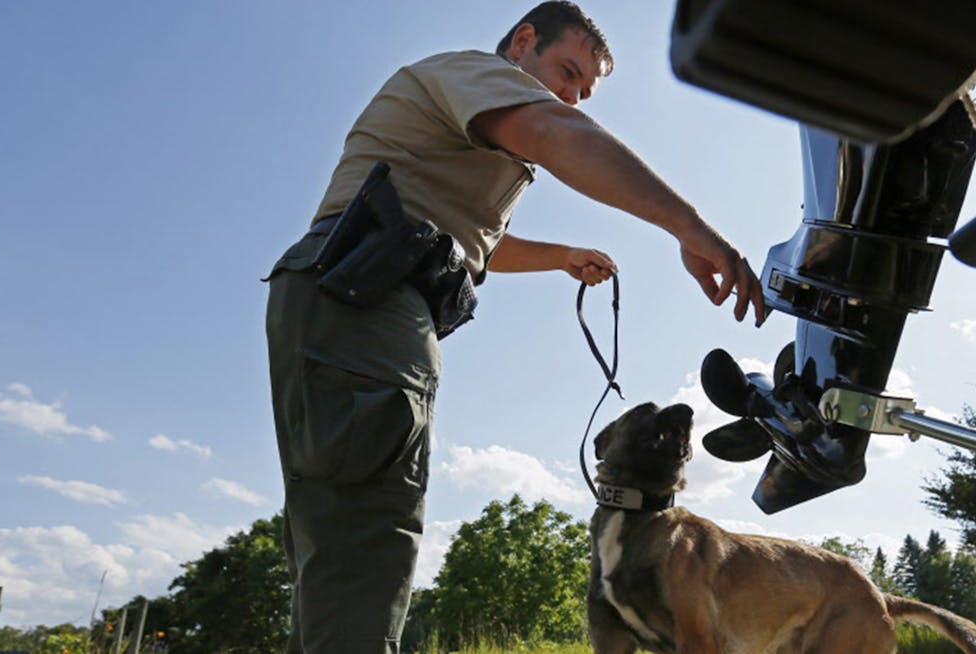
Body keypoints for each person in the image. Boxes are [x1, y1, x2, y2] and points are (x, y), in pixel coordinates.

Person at [265, 2, 767, 651]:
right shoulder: (469, 74)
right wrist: (690, 226)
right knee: (371, 523)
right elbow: (560, 135)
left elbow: (472, 240)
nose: (573, 98)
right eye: (567, 73)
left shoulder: (474, 132)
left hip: (353, 293)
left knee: (340, 525)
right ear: (524, 40)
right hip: (364, 292)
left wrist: (558, 257)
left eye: (585, 91)